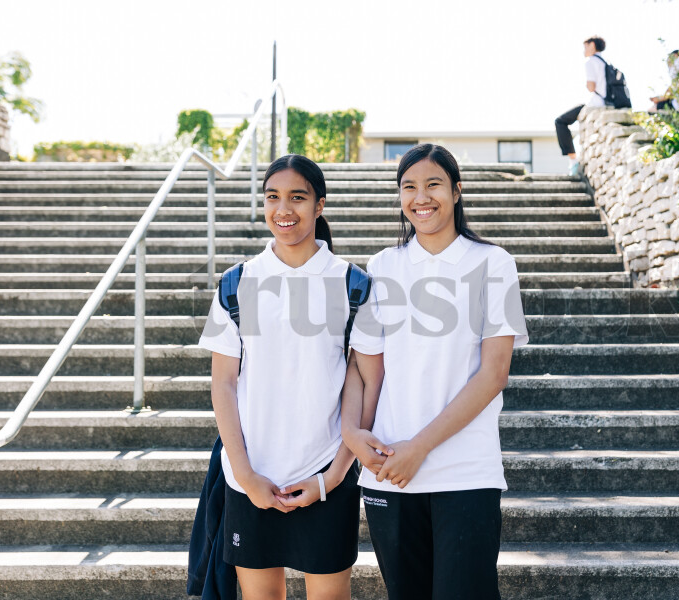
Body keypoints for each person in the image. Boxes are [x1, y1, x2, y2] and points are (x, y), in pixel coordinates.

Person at [341, 143, 529, 600]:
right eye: (409, 187)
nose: (420, 198)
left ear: (457, 191)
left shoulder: (492, 263)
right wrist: (350, 432)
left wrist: (419, 447)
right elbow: (364, 367)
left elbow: (493, 374)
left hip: (464, 472)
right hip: (388, 470)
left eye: (433, 185)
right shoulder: (384, 265)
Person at [197, 154, 362, 600]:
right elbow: (223, 384)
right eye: (273, 197)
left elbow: (360, 385)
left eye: (297, 197)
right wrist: (247, 476)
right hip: (251, 477)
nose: (283, 209)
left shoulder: (352, 284)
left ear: (320, 205)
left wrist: (331, 478)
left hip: (326, 473)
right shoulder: (238, 282)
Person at [555, 35, 608, 175]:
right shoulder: (606, 63)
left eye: (585, 46)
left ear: (592, 45)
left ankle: (573, 160)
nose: (583, 50)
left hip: (595, 104)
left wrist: (587, 85)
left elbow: (591, 87)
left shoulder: (590, 62)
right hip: (606, 102)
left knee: (560, 121)